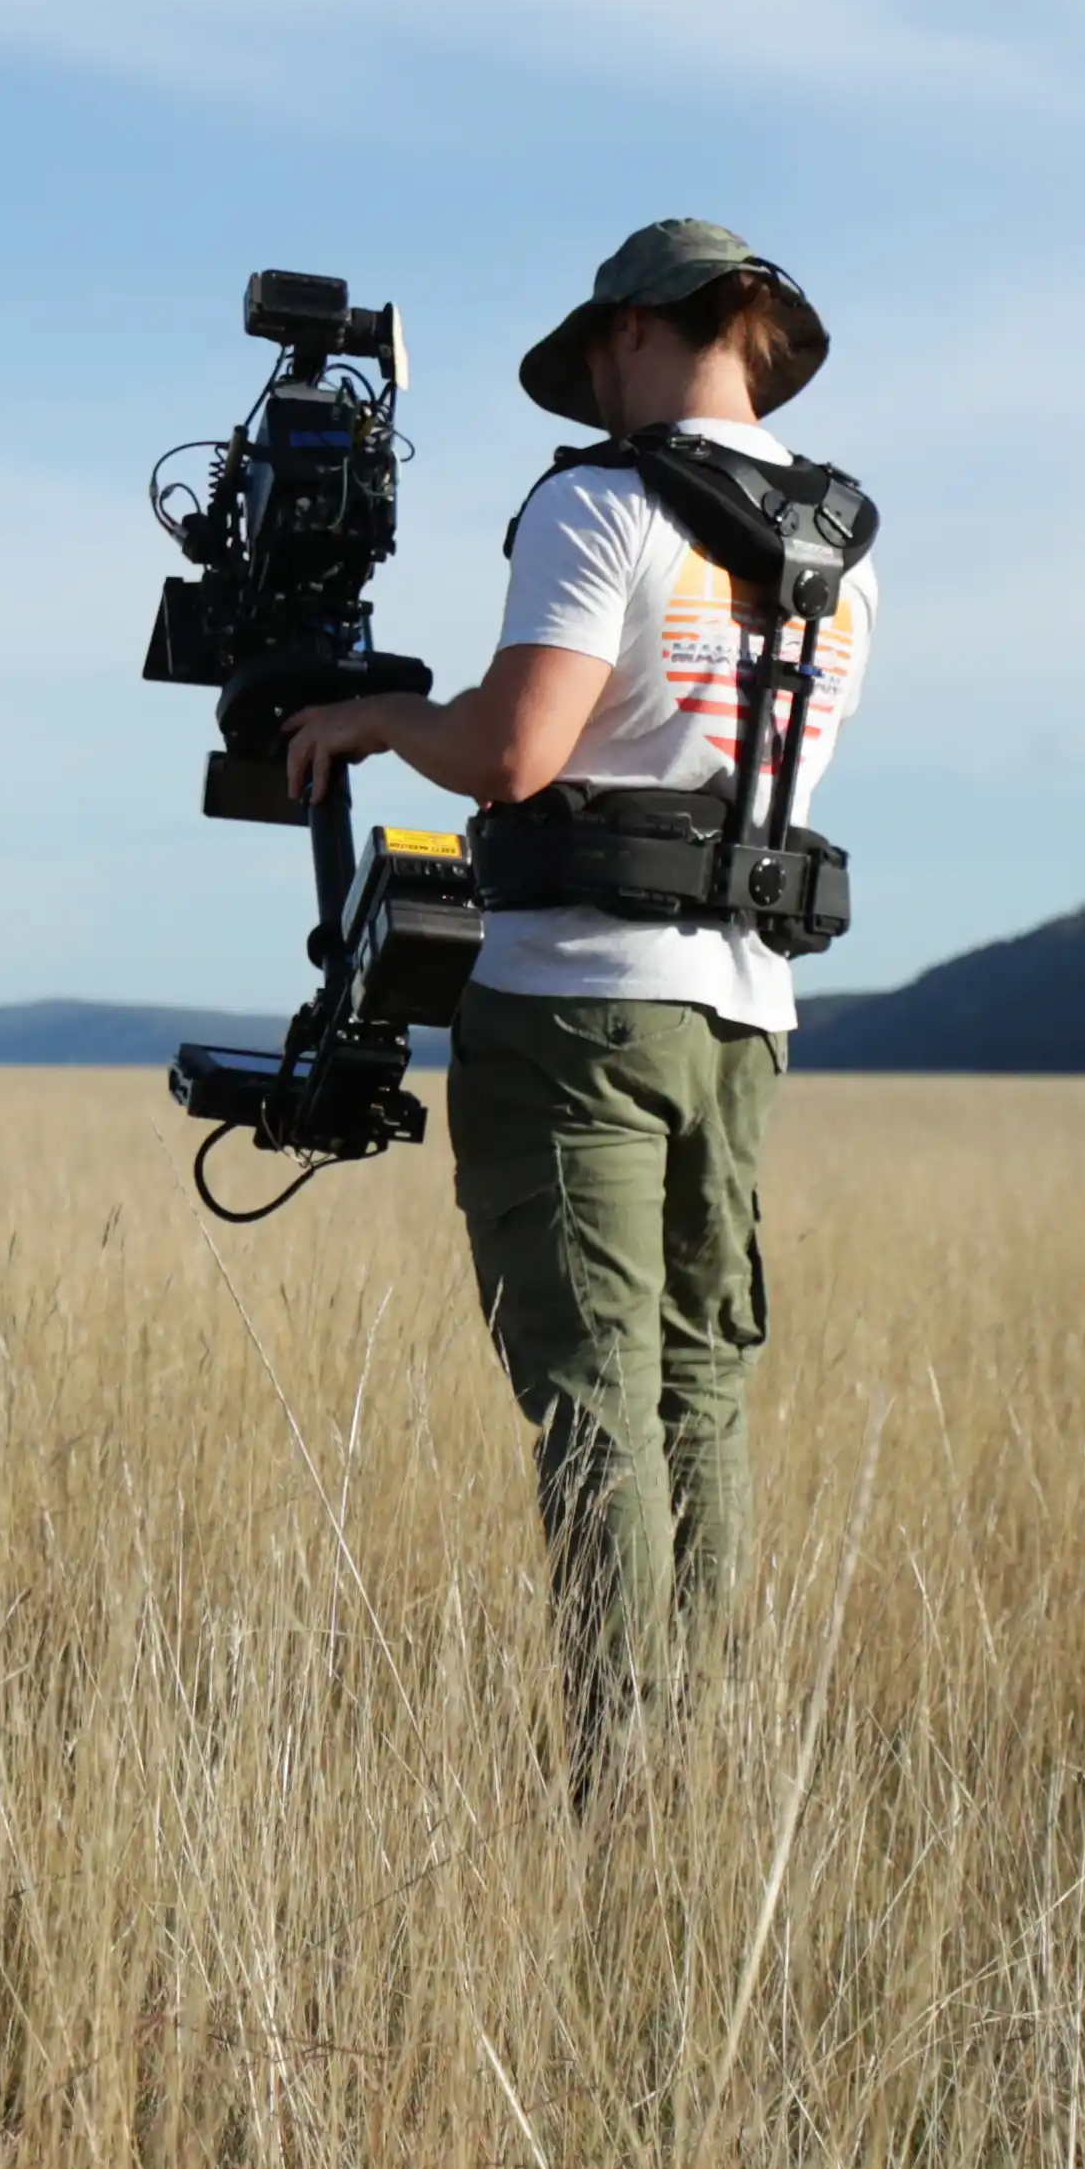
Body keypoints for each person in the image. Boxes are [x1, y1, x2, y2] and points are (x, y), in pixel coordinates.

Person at [276, 220, 880, 1774]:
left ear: (628, 333)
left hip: (576, 1004)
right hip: (746, 1011)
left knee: (595, 1398)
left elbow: (514, 757)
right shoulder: (838, 552)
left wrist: (371, 715)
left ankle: (619, 1778)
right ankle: (706, 1746)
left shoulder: (597, 505)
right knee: (698, 1384)